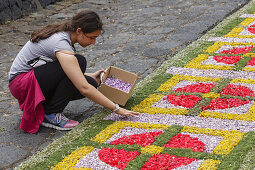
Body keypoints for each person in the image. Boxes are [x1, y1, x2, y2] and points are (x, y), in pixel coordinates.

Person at [8, 10, 140, 134]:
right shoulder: (61, 43)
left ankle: (47, 107)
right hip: (22, 84)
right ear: (79, 31)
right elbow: (83, 88)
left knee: (91, 82)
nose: (93, 42)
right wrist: (116, 108)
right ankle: (51, 114)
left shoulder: (65, 34)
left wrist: (89, 75)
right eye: (91, 37)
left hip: (33, 78)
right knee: (80, 63)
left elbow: (62, 71)